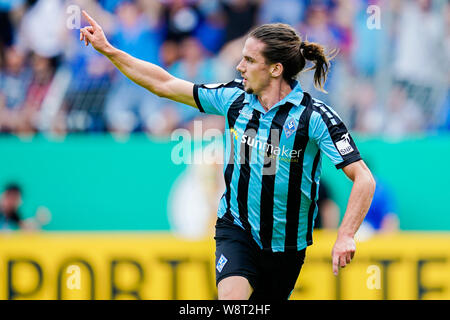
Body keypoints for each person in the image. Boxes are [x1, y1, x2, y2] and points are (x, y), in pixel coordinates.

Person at [80, 11, 376, 300]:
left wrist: (346, 234)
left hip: (287, 247)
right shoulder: (234, 98)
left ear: (275, 69)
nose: (239, 66)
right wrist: (108, 50)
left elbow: (363, 179)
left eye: (249, 60)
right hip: (236, 230)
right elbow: (164, 84)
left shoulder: (315, 117)